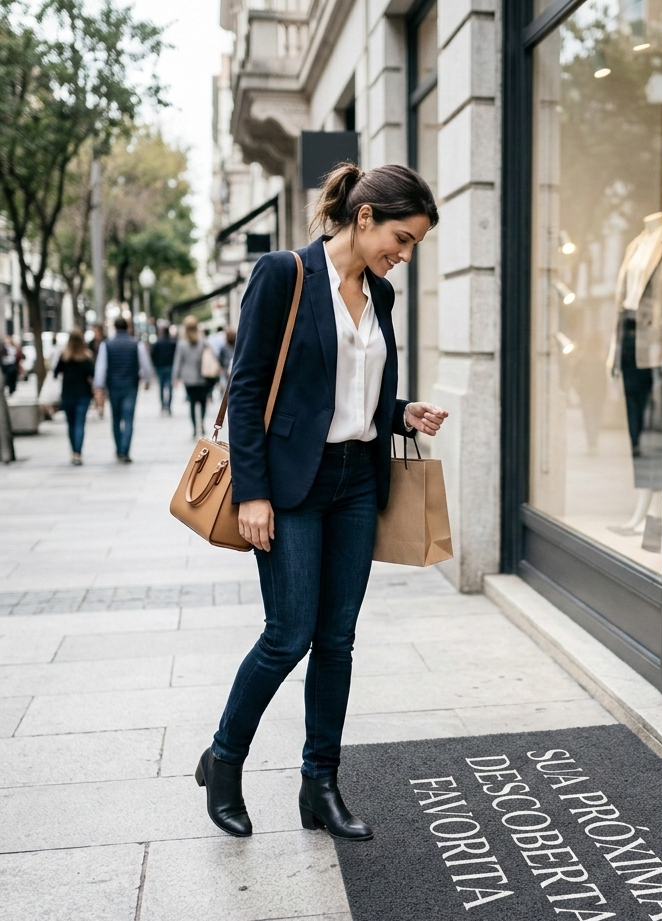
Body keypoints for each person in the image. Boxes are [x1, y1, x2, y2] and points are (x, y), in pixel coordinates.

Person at [195, 163, 447, 841]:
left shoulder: (382, 296)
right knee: (287, 634)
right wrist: (253, 492)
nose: (405, 252)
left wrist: (399, 413)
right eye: (402, 236)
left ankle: (320, 784)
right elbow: (248, 391)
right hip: (290, 487)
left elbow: (346, 390)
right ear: (363, 217)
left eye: (414, 243)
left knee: (337, 638)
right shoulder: (285, 274)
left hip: (357, 482)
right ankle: (223, 761)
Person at [93, 316, 153, 463]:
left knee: (115, 418)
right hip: (131, 386)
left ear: (115, 328)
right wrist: (148, 380)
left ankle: (119, 449)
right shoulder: (136, 344)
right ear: (127, 328)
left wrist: (99, 386)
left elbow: (101, 367)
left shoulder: (106, 345)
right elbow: (145, 364)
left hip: (113, 387)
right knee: (128, 419)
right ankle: (125, 450)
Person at [54, 330, 95, 465]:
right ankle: (78, 453)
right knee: (79, 424)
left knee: (71, 424)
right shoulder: (86, 356)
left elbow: (55, 373)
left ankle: (74, 452)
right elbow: (93, 374)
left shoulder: (64, 356)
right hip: (83, 394)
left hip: (68, 395)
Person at [172, 316, 210, 438]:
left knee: (192, 404)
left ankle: (194, 428)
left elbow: (178, 361)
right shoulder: (203, 341)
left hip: (188, 379)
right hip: (203, 377)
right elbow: (210, 356)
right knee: (203, 402)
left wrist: (175, 377)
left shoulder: (182, 343)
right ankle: (202, 423)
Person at [150, 324, 177, 414]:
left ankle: (162, 406)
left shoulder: (158, 342)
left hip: (160, 367)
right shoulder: (173, 342)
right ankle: (168, 406)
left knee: (161, 387)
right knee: (169, 387)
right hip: (170, 366)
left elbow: (153, 355)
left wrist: (155, 364)